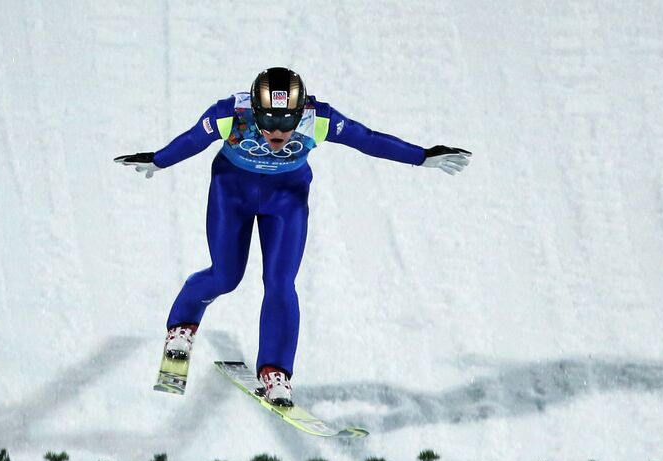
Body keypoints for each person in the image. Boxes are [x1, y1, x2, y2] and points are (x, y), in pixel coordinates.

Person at [116, 67, 470, 407]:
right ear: (254, 110)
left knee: (281, 283)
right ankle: (182, 325)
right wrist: (159, 160)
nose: (277, 132)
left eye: (287, 122)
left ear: (300, 112)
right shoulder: (230, 113)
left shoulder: (318, 119)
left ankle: (275, 371)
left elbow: (367, 140)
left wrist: (421, 157)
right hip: (232, 194)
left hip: (285, 199)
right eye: (268, 121)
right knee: (225, 276)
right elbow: (194, 139)